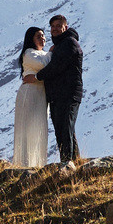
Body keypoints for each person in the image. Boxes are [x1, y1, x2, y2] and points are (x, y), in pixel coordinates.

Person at [33, 12, 84, 164]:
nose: (54, 29)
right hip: (57, 95)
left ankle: (67, 163)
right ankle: (72, 162)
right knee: (63, 129)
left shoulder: (69, 43)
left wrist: (36, 76)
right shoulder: (59, 45)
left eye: (58, 26)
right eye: (52, 26)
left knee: (65, 128)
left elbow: (57, 67)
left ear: (65, 27)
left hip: (68, 93)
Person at [10, 25, 52, 168]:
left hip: (40, 95)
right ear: (31, 39)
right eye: (38, 36)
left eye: (43, 35)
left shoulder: (43, 53)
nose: (42, 38)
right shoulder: (29, 53)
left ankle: (38, 164)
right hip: (30, 94)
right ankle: (25, 164)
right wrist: (53, 53)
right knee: (28, 128)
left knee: (39, 127)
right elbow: (45, 64)